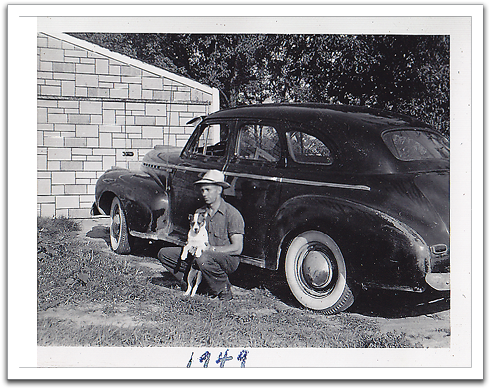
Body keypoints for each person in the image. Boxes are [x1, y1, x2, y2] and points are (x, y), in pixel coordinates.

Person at [158, 169, 245, 301]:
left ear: (219, 190)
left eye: (208, 190)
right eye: (202, 190)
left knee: (203, 257)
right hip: (201, 256)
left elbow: (237, 248)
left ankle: (223, 289)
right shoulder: (199, 212)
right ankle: (199, 285)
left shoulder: (232, 214)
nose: (204, 194)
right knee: (165, 253)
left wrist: (212, 249)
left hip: (226, 259)